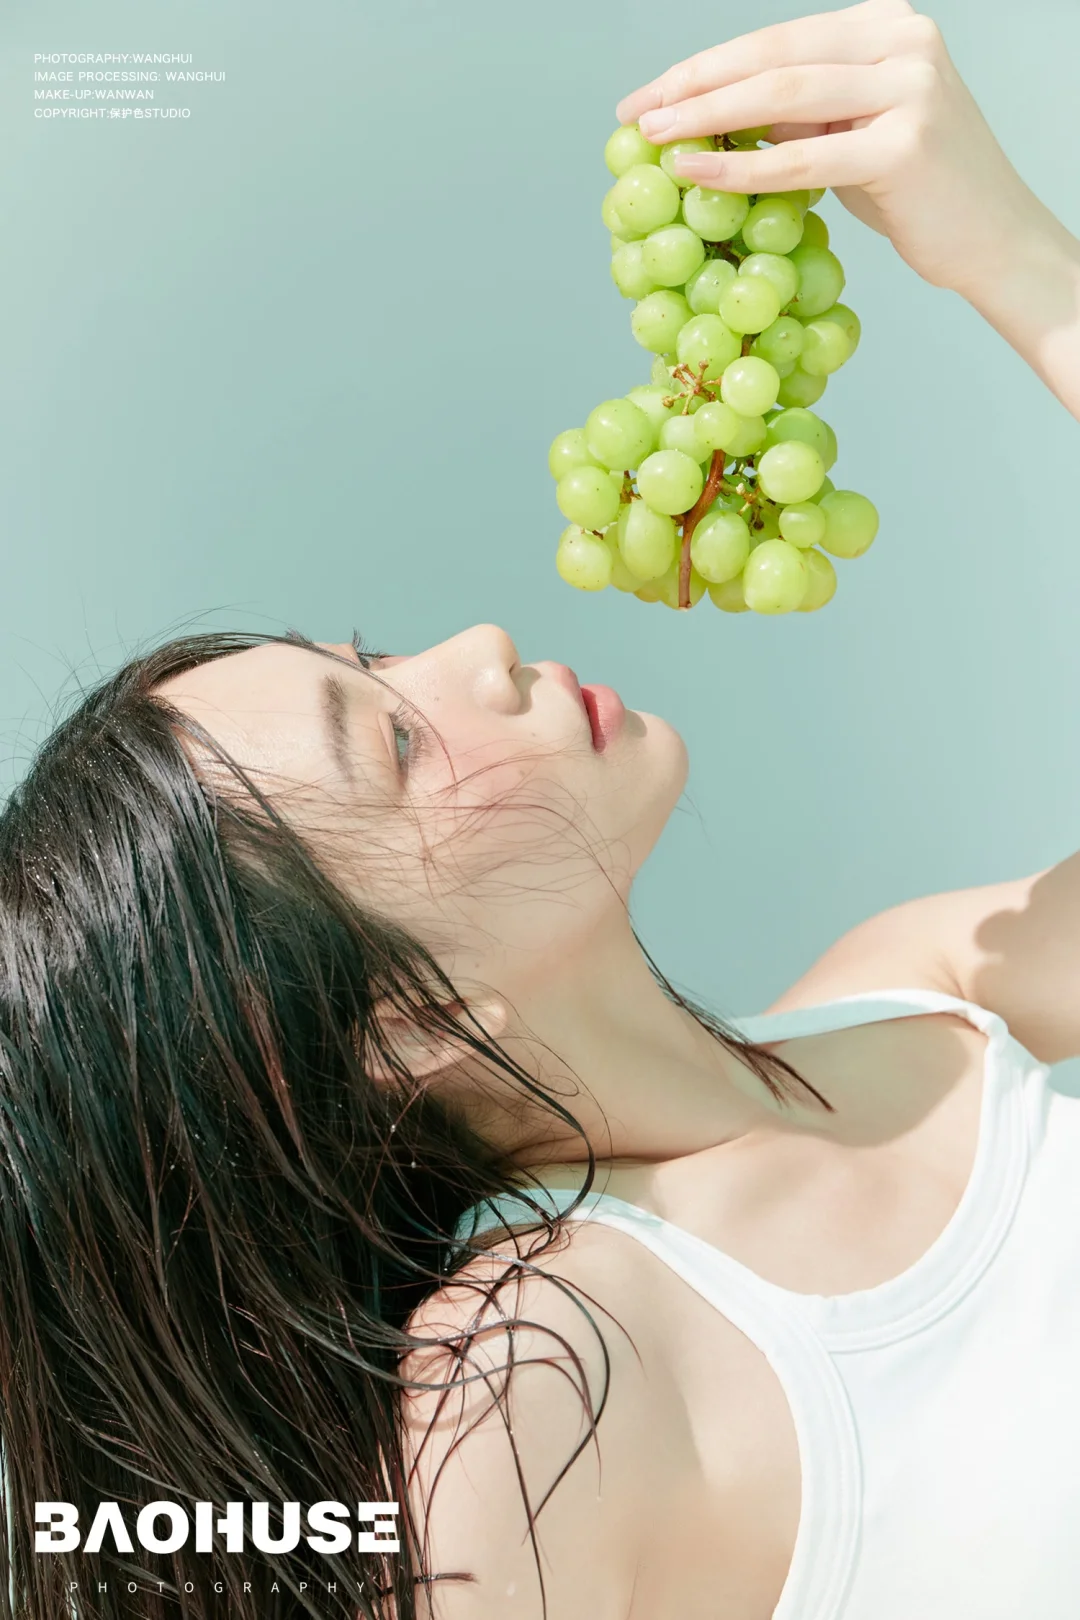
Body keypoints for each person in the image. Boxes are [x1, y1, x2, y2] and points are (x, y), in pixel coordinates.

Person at [3, 2, 1080, 1617]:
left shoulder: (935, 985)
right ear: (407, 1021)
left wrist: (1011, 255)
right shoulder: (528, 1396)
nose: (479, 649)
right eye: (393, 742)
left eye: (376, 659)